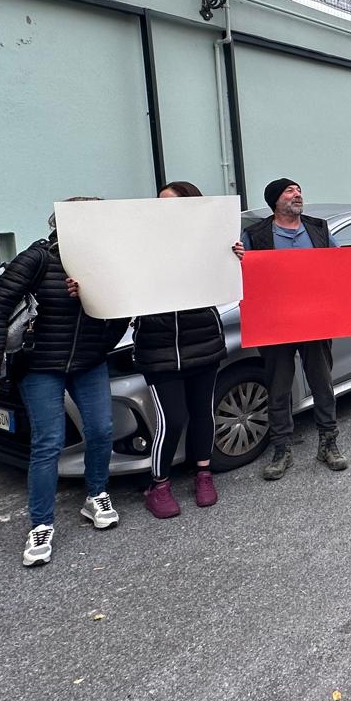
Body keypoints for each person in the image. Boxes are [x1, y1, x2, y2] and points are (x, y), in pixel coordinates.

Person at [0, 196, 127, 568]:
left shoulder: (107, 262)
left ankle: (96, 495)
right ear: (62, 224)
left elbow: (120, 313)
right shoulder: (37, 258)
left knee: (102, 430)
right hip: (40, 365)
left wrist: (96, 319)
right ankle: (41, 524)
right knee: (48, 442)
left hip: (88, 363)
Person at [136, 181, 231, 518]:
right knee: (172, 419)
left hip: (202, 341)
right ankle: (158, 484)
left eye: (171, 203)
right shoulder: (142, 244)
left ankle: (203, 474)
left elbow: (230, 281)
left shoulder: (210, 244)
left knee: (203, 413)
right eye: (159, 203)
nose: (163, 209)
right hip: (158, 348)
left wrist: (237, 260)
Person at [244, 177, 345, 480]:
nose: (297, 194)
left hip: (316, 320)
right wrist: (237, 258)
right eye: (290, 191)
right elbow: (242, 273)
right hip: (275, 323)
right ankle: (281, 450)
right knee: (278, 388)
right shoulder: (256, 234)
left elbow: (339, 262)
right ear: (274, 200)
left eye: (299, 190)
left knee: (322, 383)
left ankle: (328, 443)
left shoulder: (318, 228)